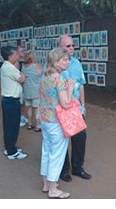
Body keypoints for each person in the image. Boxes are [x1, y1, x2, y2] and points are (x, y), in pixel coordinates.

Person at [39, 48, 75, 198]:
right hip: (56, 122)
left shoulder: (45, 77)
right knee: (57, 154)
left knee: (46, 151)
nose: (68, 62)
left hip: (45, 119)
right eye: (64, 59)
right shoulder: (59, 79)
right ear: (55, 62)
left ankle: (46, 184)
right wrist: (71, 86)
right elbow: (66, 103)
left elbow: (42, 98)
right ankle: (53, 190)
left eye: (68, 59)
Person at [59, 35, 92, 182]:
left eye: (73, 45)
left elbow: (81, 85)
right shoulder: (54, 65)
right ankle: (64, 170)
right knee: (63, 139)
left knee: (80, 137)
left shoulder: (77, 63)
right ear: (60, 48)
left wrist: (83, 106)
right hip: (61, 107)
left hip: (76, 108)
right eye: (68, 46)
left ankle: (78, 168)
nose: (72, 48)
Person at [0, 46, 28, 159]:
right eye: (15, 54)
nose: (17, 56)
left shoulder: (8, 66)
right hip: (11, 101)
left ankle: (9, 147)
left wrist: (22, 75)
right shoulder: (9, 67)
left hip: (9, 101)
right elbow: (22, 79)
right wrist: (23, 75)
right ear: (10, 56)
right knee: (13, 126)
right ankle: (12, 152)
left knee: (9, 125)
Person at [22, 51, 43, 132]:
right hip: (36, 91)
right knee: (37, 108)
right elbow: (43, 74)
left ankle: (30, 124)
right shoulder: (37, 66)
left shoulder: (24, 67)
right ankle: (38, 125)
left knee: (29, 107)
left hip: (27, 90)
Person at [14, 46, 28, 127]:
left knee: (22, 103)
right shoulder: (16, 63)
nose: (24, 52)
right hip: (18, 87)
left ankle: (21, 116)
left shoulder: (19, 62)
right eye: (22, 51)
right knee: (20, 103)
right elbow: (18, 77)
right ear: (17, 53)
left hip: (20, 87)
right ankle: (19, 118)